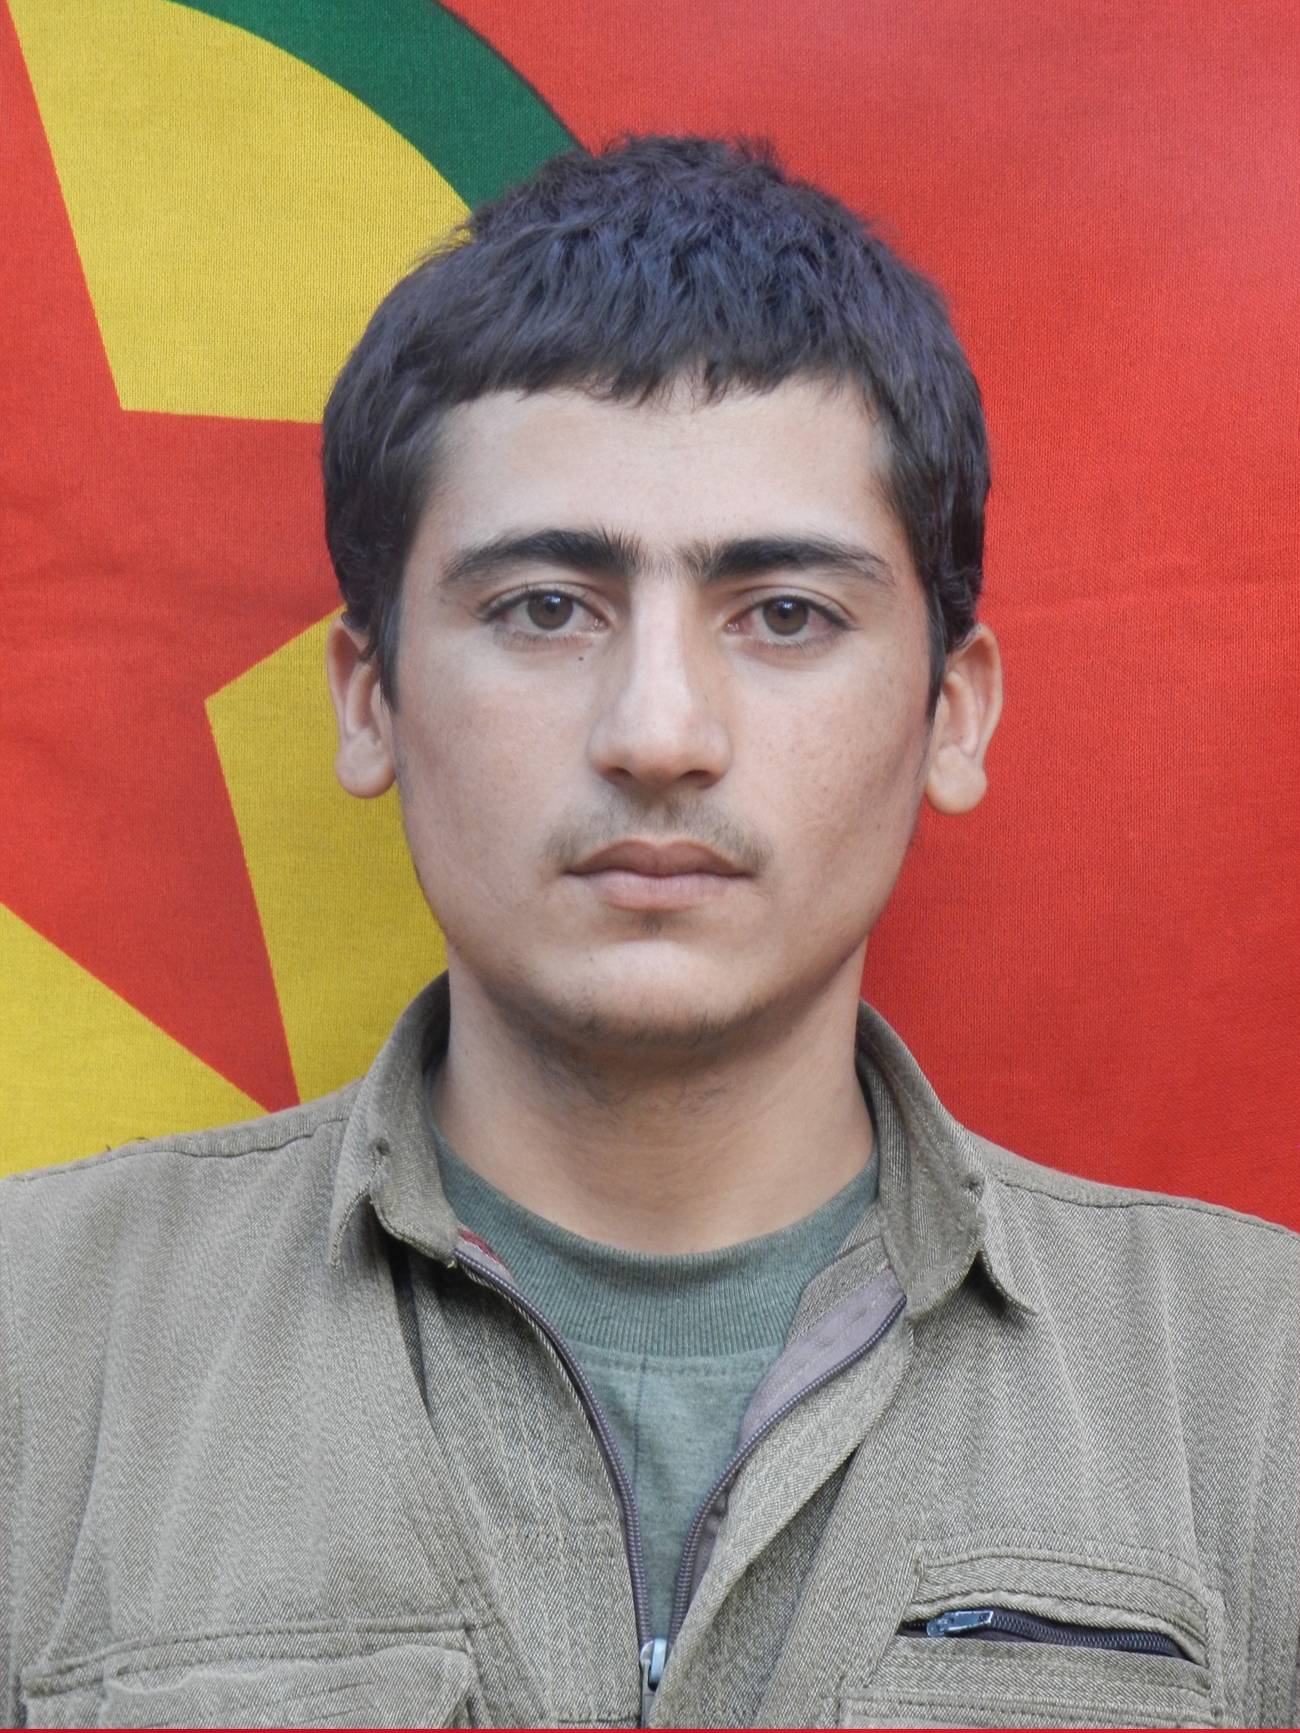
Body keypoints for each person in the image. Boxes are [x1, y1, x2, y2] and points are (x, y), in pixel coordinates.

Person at [1, 138, 1296, 1731]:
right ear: (370, 697)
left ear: (952, 713)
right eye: (547, 606)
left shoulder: (1254, 1391)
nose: (660, 733)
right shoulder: (38, 1351)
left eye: (785, 614)